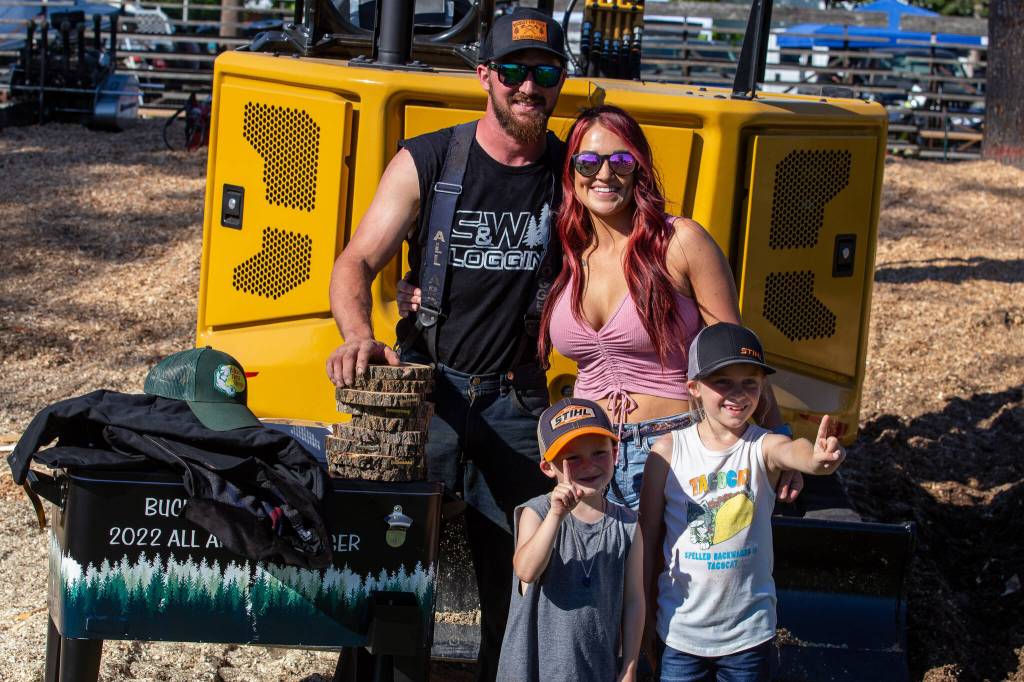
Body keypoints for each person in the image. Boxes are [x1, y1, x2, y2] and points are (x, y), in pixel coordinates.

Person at [325, 9, 570, 678]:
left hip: (516, 404)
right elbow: (354, 263)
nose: (529, 87)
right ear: (485, 75)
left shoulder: (575, 173)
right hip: (423, 391)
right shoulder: (427, 160)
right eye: (515, 71)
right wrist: (359, 338)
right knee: (389, 569)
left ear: (559, 79)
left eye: (545, 72)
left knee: (517, 584)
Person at [535, 104, 797, 511]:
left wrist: (777, 440)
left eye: (620, 160)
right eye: (587, 162)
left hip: (675, 448)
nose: (604, 174)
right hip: (587, 457)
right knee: (597, 576)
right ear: (571, 173)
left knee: (673, 576)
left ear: (639, 168)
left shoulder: (679, 243)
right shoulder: (565, 252)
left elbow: (737, 355)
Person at [639, 322, 846, 680]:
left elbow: (791, 450)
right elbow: (648, 538)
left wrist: (815, 460)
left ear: (762, 388)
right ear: (694, 388)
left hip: (748, 635)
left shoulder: (759, 446)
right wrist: (641, 620)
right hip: (680, 633)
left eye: (749, 382)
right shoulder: (668, 453)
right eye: (723, 382)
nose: (738, 394)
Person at [496, 398, 644, 682]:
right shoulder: (537, 512)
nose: (589, 465)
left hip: (597, 668)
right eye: (572, 458)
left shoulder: (628, 524)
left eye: (599, 452)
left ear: (615, 453)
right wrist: (556, 515)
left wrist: (629, 666)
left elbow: (635, 600)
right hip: (534, 670)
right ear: (548, 467)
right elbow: (526, 570)